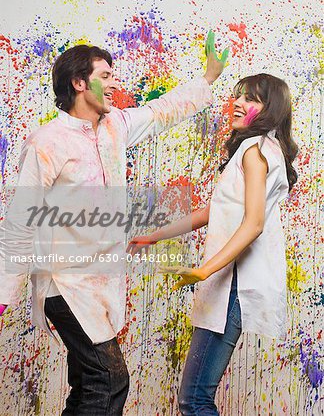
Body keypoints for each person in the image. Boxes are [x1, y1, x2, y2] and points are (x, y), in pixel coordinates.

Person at [0, 33, 227, 415]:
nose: (115, 83)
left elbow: (161, 112)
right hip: (65, 284)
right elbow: (20, 223)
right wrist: (3, 292)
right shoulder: (46, 143)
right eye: (105, 76)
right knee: (109, 380)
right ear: (78, 83)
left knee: (90, 385)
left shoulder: (115, 126)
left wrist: (207, 78)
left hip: (101, 281)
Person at [127, 73, 298, 415]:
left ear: (270, 110)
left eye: (251, 99)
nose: (238, 103)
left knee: (194, 398)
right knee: (197, 396)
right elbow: (214, 211)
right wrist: (154, 235)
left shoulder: (254, 150)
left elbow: (254, 224)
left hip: (232, 285)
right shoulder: (265, 148)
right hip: (232, 284)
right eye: (238, 96)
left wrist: (204, 270)